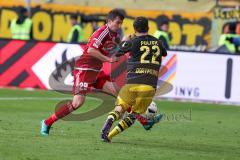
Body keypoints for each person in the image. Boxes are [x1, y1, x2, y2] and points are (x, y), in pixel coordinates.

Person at [40, 9, 125, 135]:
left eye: (121, 23)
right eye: (117, 23)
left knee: (119, 93)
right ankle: (47, 122)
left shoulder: (114, 35)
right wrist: (109, 59)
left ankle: (144, 120)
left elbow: (112, 49)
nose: (119, 26)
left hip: (96, 71)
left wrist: (124, 43)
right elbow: (91, 50)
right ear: (109, 21)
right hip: (85, 69)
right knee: (77, 103)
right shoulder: (102, 32)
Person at [101, 16, 167, 142]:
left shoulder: (133, 41)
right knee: (133, 115)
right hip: (149, 85)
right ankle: (109, 136)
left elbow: (117, 53)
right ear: (148, 27)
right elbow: (164, 53)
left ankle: (109, 121)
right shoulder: (158, 42)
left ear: (134, 29)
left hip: (132, 82)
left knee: (120, 108)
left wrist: (125, 41)